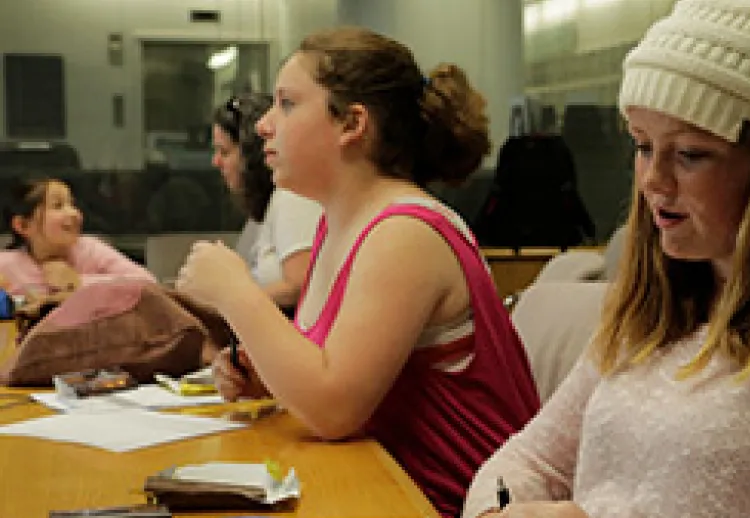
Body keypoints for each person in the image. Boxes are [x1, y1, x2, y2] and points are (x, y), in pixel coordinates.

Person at [461, 1, 750, 517]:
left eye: (690, 154)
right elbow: (530, 459)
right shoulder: (649, 313)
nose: (652, 180)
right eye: (644, 147)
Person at [177, 27, 540, 516]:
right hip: (382, 492)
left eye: (286, 104)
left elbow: (334, 409)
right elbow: (337, 376)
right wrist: (270, 376)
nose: (264, 124)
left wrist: (235, 291)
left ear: (351, 123)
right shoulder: (339, 225)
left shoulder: (404, 233)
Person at [211, 93, 323, 309]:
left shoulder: (292, 197)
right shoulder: (264, 212)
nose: (216, 161)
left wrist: (222, 303)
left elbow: (300, 285)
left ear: (252, 155)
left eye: (224, 151)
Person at [0, 177, 155, 310]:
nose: (74, 213)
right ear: (23, 225)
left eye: (72, 205)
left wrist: (78, 282)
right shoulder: (7, 264)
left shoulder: (89, 250)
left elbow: (149, 285)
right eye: (58, 205)